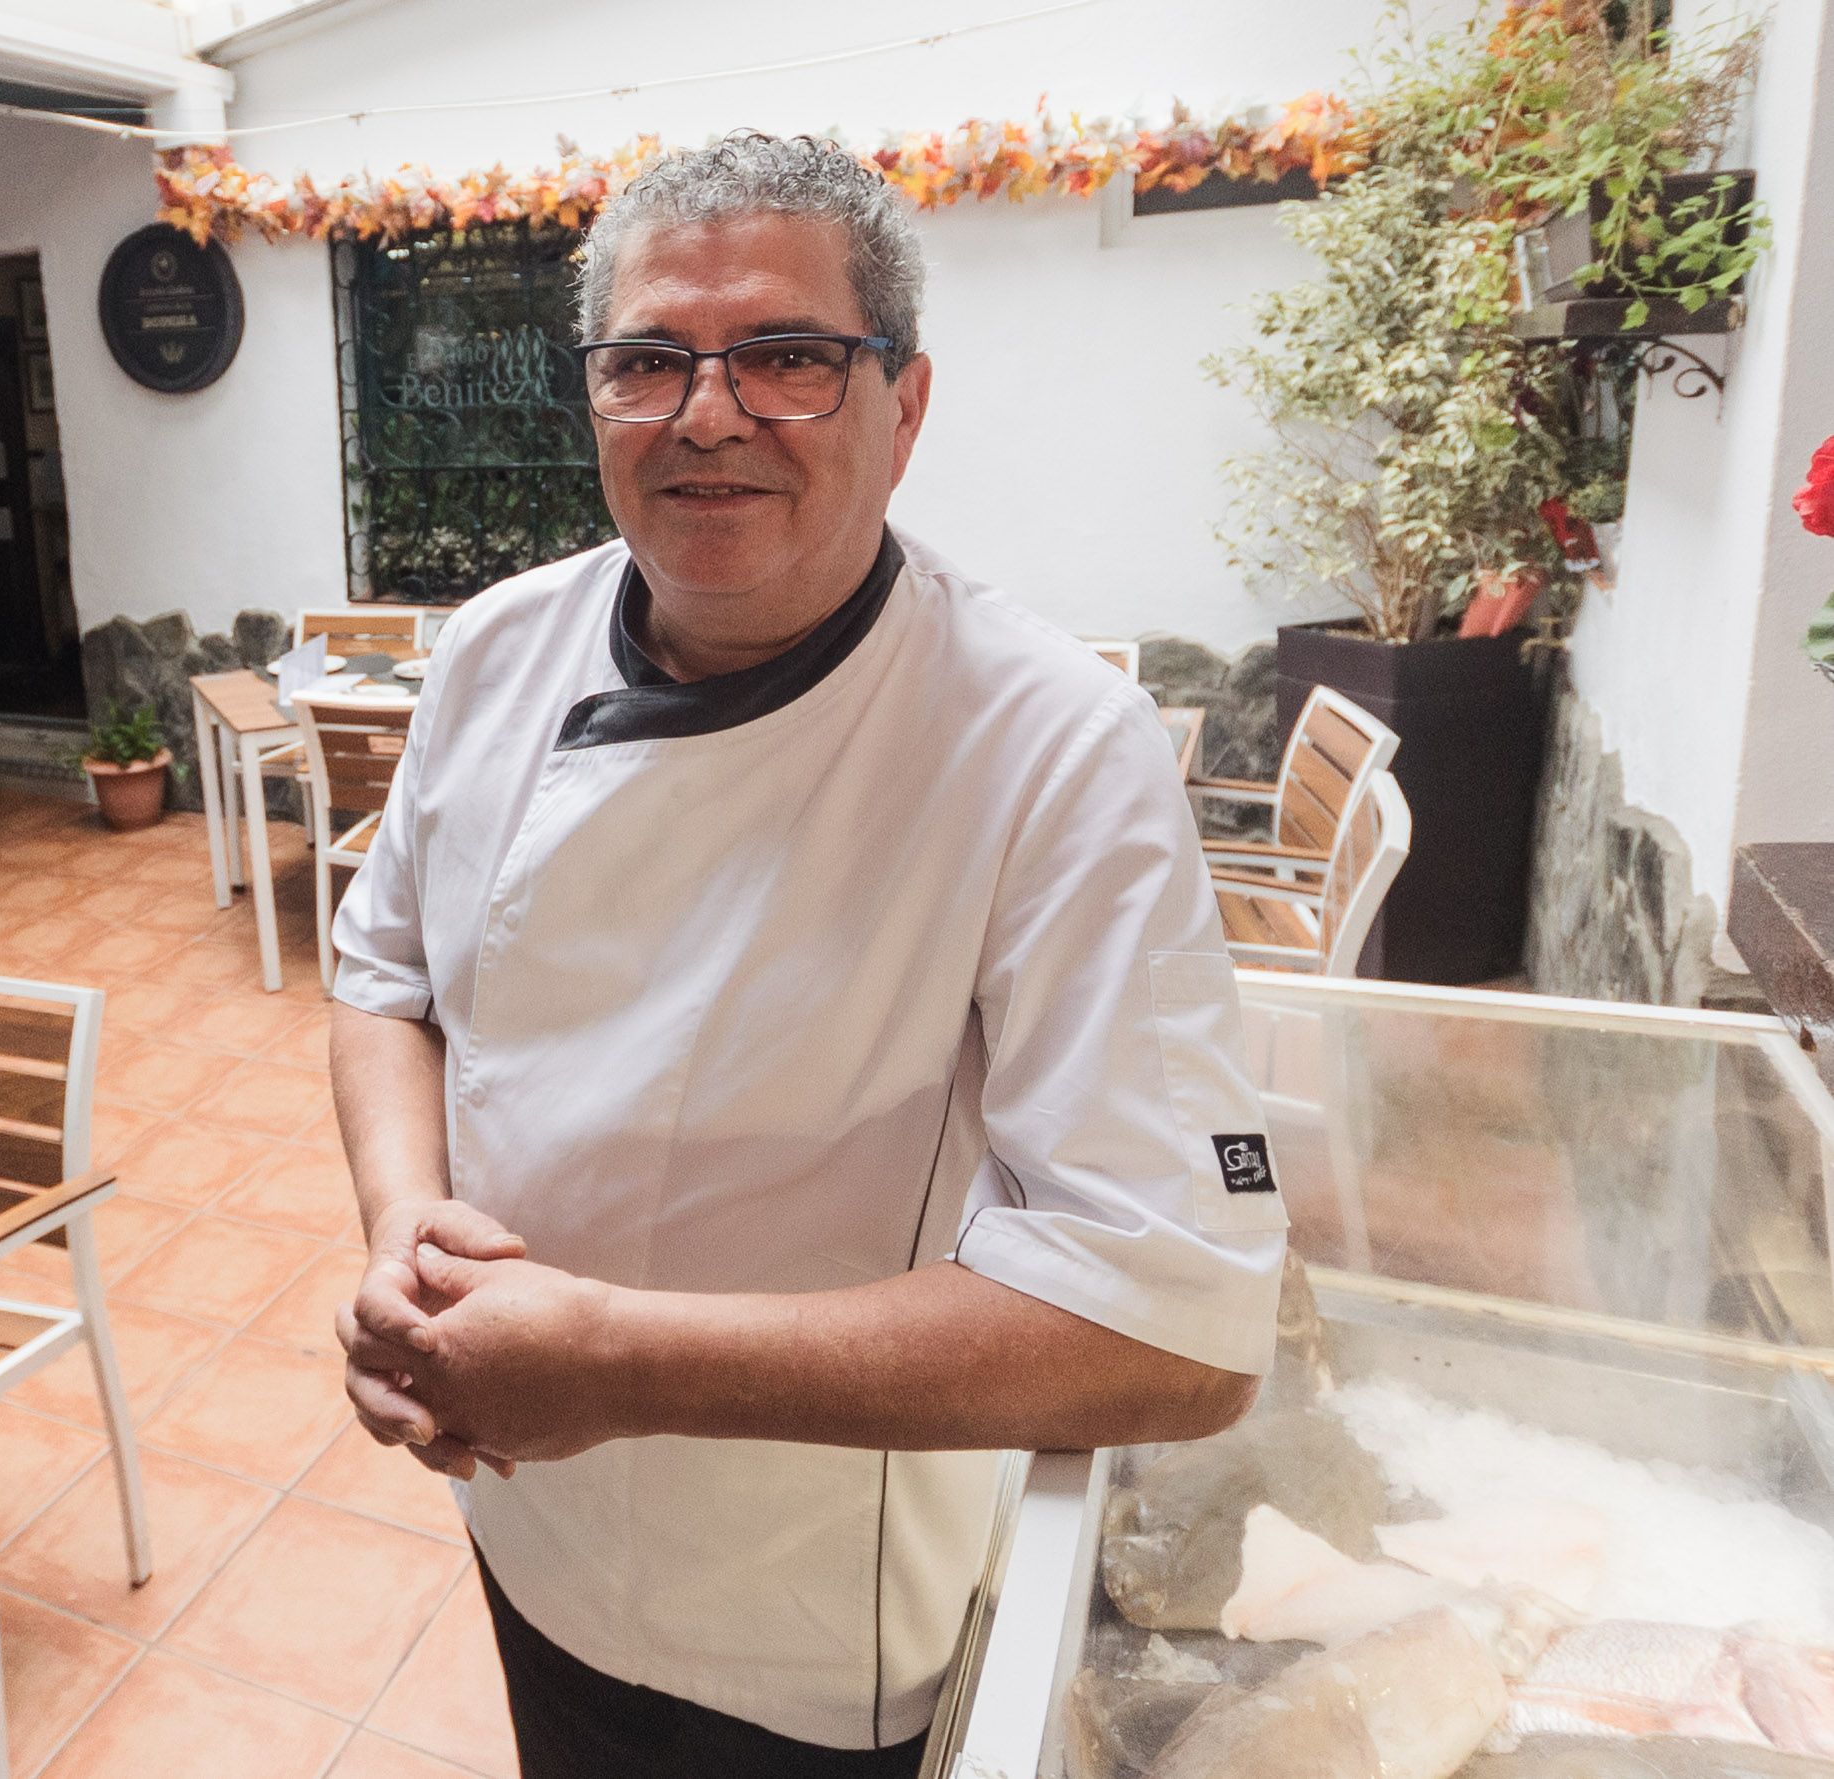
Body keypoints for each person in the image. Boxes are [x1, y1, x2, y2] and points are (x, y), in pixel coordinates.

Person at [326, 132, 1286, 1778]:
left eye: (787, 358)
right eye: (649, 362)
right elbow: (384, 982)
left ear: (903, 408)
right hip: (523, 1523)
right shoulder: (493, 652)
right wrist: (408, 1220)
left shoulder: (1048, 744)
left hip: (803, 1629)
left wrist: (615, 1359)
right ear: (597, 396)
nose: (709, 413)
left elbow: (1177, 1332)